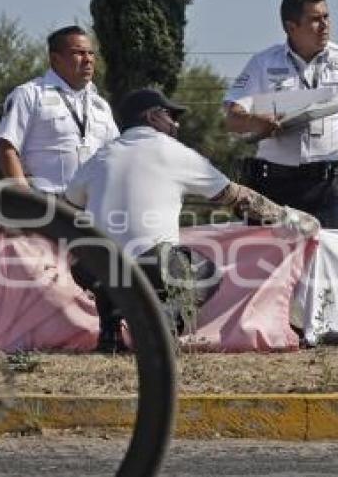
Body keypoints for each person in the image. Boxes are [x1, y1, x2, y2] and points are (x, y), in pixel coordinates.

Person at [66, 88, 319, 352]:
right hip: (151, 265)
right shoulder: (172, 152)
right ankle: (159, 329)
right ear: (153, 117)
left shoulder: (100, 157)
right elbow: (235, 196)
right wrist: (287, 216)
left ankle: (110, 334)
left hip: (92, 266)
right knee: (206, 275)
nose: (176, 123)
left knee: (109, 263)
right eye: (172, 115)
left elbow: (69, 206)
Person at [223, 0, 338, 228]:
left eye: (326, 17)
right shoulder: (263, 62)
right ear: (291, 27)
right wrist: (258, 122)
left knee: (328, 260)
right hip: (276, 186)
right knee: (274, 261)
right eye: (315, 20)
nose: (325, 25)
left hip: (331, 187)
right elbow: (232, 119)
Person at [0, 25, 119, 194]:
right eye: (79, 53)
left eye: (91, 53)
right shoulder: (29, 94)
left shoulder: (100, 104)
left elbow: (115, 154)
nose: (88, 59)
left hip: (91, 205)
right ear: (55, 59)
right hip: (45, 204)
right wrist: (25, 200)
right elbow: (7, 148)